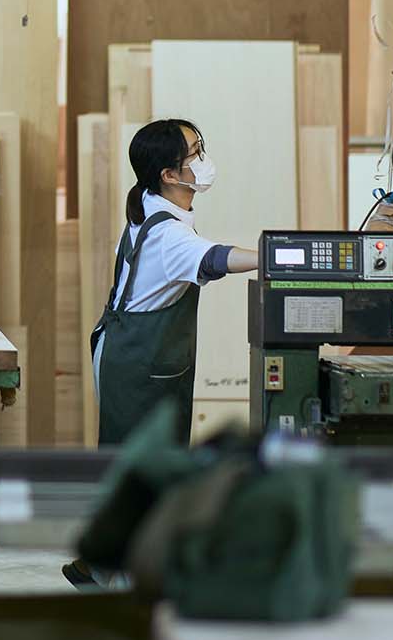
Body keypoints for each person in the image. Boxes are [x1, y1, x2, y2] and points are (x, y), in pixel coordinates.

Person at [63, 118, 257, 589]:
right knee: (142, 468)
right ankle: (118, 576)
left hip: (132, 350)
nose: (203, 160)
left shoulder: (153, 208)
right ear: (169, 174)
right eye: (194, 154)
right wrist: (277, 256)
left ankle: (97, 566)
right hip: (139, 360)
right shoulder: (169, 234)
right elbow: (214, 259)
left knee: (134, 463)